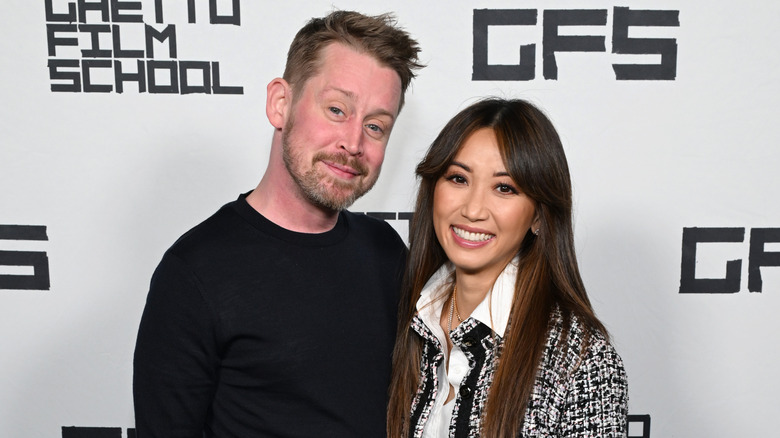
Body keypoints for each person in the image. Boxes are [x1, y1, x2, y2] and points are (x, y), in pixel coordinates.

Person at [133, 11, 423, 438]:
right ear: (280, 104)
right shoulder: (195, 272)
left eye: (376, 126)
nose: (353, 143)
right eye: (337, 109)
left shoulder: (386, 252)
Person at [387, 98, 628, 437]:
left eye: (504, 188)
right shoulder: (408, 319)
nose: (473, 209)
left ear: (539, 216)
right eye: (458, 178)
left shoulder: (580, 359)